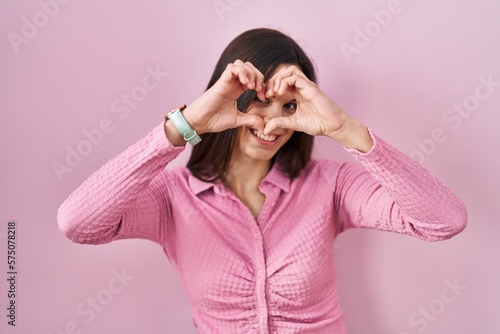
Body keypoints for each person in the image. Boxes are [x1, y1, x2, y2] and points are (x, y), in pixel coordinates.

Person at [57, 28, 467, 333]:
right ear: (226, 98)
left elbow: (443, 221)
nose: (271, 123)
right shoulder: (172, 197)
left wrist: (344, 128)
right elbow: (78, 223)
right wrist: (185, 126)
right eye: (256, 103)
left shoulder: (332, 185)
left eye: (288, 106)